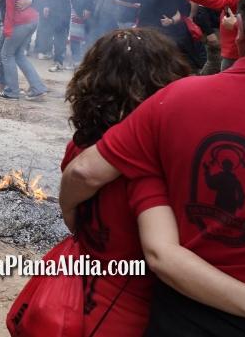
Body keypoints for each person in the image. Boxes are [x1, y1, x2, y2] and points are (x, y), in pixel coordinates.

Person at [60, 0, 245, 335]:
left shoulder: (157, 121)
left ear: (239, 29)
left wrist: (69, 215)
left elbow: (84, 175)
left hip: (163, 308)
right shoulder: (145, 161)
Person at [59, 29, 192, 334]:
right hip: (130, 314)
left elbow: (75, 213)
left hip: (80, 296)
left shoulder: (79, 147)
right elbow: (162, 255)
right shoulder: (143, 170)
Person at [0, 0, 48, 100]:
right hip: (31, 20)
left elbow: (10, 4)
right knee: (18, 54)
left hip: (19, 22)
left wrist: (7, 28)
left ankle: (12, 91)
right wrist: (31, 1)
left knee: (6, 54)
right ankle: (38, 87)